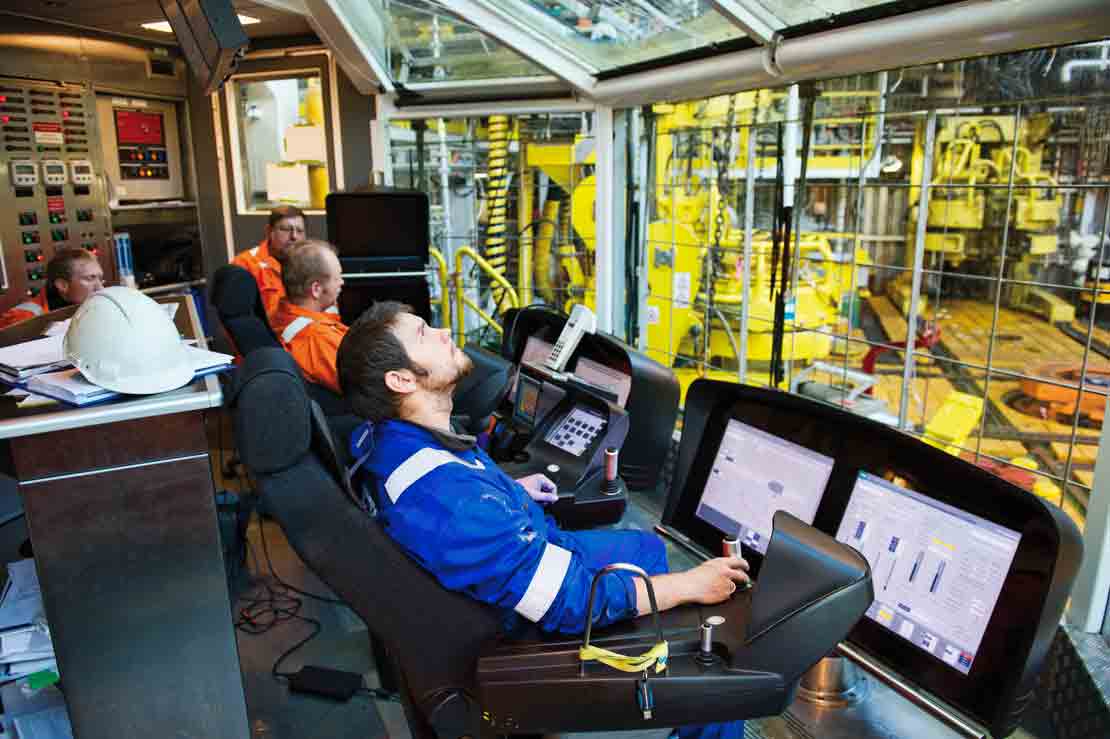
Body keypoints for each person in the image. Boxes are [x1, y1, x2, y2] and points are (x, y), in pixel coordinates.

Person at [336, 301, 750, 637]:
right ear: (402, 380)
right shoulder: (456, 503)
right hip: (530, 628)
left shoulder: (391, 439)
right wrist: (687, 587)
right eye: (424, 334)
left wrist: (511, 491)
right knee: (705, 634)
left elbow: (463, 490)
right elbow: (571, 602)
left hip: (529, 551)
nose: (443, 332)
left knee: (649, 548)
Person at [270, 240, 347, 394]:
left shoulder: (281, 311)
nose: (342, 282)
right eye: (337, 277)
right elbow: (366, 386)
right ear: (316, 289)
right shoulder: (316, 337)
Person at [230, 205, 306, 320]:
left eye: (300, 231)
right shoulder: (245, 264)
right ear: (269, 231)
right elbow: (238, 322)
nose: (294, 236)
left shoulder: (311, 263)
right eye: (286, 229)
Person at [0, 248, 104, 329]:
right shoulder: (24, 317)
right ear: (62, 285)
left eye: (100, 279)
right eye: (90, 278)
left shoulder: (90, 309)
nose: (100, 288)